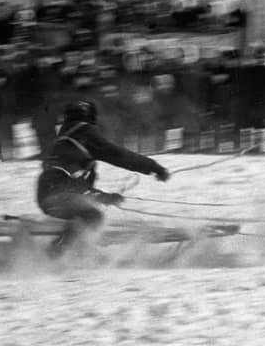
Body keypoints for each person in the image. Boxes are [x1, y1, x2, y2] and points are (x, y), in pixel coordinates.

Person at [36, 100, 170, 258]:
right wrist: (154, 167)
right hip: (60, 195)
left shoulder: (64, 139)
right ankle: (55, 254)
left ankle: (75, 253)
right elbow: (118, 155)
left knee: (87, 216)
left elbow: (70, 181)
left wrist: (100, 196)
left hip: (47, 196)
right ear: (91, 117)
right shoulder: (84, 134)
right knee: (93, 216)